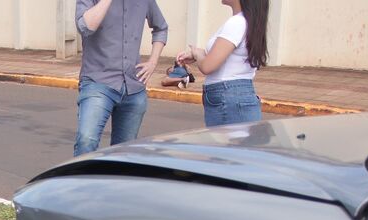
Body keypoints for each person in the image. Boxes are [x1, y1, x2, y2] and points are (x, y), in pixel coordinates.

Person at [74, 0, 169, 157]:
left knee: (123, 153)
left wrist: (153, 62)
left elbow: (161, 28)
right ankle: (82, 181)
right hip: (98, 83)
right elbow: (85, 27)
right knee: (86, 141)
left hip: (133, 88)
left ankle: (115, 182)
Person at [176, 0, 269, 127]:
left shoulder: (236, 23)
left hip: (227, 96)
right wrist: (198, 54)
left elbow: (207, 66)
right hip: (236, 95)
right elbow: (223, 57)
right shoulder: (247, 21)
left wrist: (197, 53)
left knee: (227, 146)